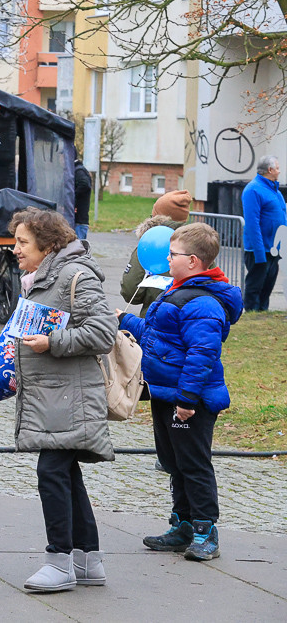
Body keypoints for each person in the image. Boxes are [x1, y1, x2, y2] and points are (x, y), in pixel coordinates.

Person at [117, 223, 242, 561]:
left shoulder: (205, 304)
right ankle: (182, 525)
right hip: (165, 393)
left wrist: (187, 400)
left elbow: (202, 355)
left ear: (193, 260)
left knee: (194, 464)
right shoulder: (177, 289)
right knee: (174, 462)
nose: (166, 259)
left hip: (189, 400)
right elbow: (159, 336)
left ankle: (205, 530)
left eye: (172, 254)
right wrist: (124, 321)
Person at [8, 208, 117, 593]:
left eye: (23, 242)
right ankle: (88, 560)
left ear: (48, 244)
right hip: (54, 396)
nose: (15, 248)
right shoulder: (40, 278)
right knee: (67, 474)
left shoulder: (74, 275)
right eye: (16, 240)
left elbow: (103, 332)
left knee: (51, 472)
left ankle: (59, 561)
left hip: (72, 397)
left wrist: (52, 342)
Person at [120, 190, 192, 317]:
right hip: (192, 321)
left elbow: (130, 292)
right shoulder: (199, 244)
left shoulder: (149, 245)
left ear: (156, 217)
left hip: (155, 321)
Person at [241, 155, 286, 311]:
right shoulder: (253, 190)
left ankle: (262, 317)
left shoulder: (275, 191)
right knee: (255, 288)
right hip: (259, 251)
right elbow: (252, 225)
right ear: (270, 170)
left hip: (274, 249)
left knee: (267, 289)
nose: (279, 171)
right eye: (278, 168)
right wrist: (259, 253)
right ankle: (252, 318)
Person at [73, 159, 92, 240]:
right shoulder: (78, 170)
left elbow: (85, 184)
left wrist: (72, 197)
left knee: (79, 246)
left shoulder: (79, 171)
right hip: (79, 219)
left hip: (80, 219)